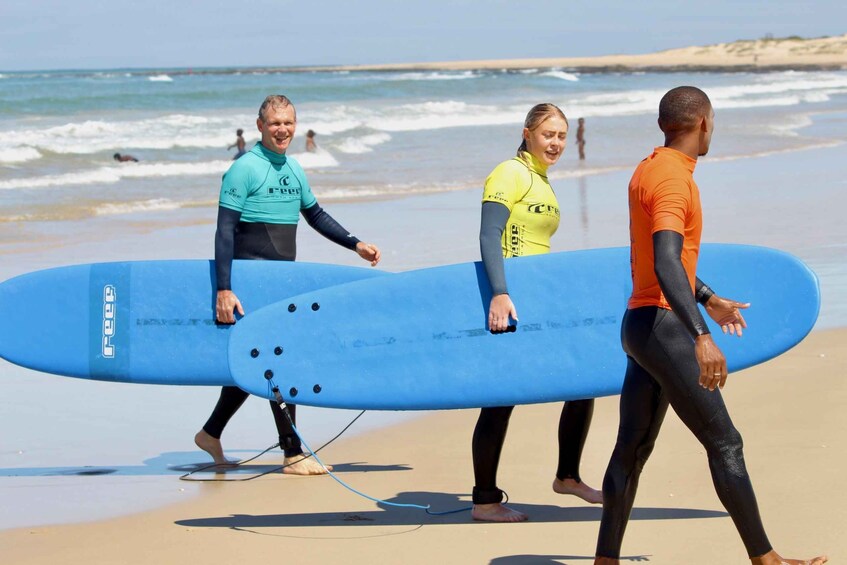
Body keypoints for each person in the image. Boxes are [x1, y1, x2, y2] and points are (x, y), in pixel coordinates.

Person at [594, 87, 826, 565]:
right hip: (664, 327)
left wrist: (709, 297)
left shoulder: (648, 168)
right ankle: (766, 559)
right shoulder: (675, 181)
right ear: (702, 121)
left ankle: (606, 559)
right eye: (713, 120)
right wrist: (701, 334)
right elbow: (664, 262)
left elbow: (666, 259)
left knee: (631, 450)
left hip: (639, 325)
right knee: (725, 441)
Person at [194, 94, 382, 475]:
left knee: (261, 361)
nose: (283, 129)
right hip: (252, 282)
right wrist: (224, 288)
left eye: (288, 123)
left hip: (282, 283)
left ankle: (211, 433)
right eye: (275, 122)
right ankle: (293, 453)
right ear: (260, 126)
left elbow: (315, 214)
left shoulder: (293, 169)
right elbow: (225, 231)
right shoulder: (243, 169)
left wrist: (355, 243)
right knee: (280, 361)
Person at [472, 103, 602, 523]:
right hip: (509, 303)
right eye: (549, 134)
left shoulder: (541, 180)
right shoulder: (509, 172)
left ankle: (567, 476)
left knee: (582, 382)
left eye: (562, 135)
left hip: (537, 304)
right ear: (527, 133)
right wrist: (499, 293)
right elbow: (490, 234)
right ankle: (485, 501)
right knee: (500, 398)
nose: (557, 142)